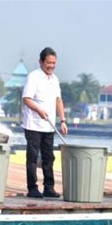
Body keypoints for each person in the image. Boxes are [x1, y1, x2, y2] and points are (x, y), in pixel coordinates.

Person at [22, 47, 68, 198]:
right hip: (33, 124)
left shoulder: (54, 79)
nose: (51, 66)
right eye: (49, 63)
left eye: (54, 63)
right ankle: (32, 188)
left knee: (49, 157)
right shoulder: (33, 77)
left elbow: (58, 100)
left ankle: (49, 187)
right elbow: (26, 99)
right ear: (41, 62)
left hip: (49, 125)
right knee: (33, 157)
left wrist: (62, 120)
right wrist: (39, 110)